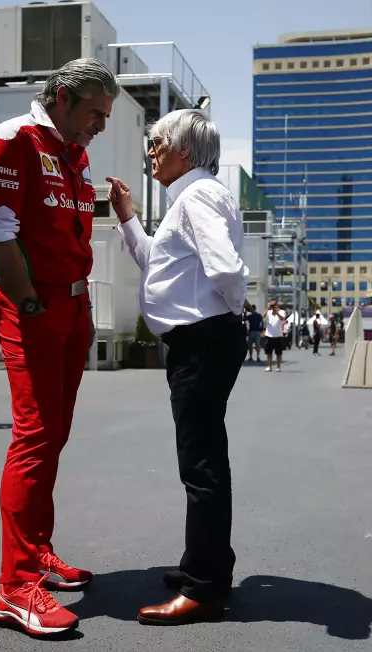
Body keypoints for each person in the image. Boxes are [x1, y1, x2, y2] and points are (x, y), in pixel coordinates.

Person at [0, 58, 116, 637]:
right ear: (62, 96)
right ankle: (14, 588)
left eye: (106, 116)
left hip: (72, 309)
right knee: (34, 436)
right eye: (94, 112)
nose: (100, 126)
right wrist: (31, 303)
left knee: (54, 434)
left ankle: (37, 552)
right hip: (32, 308)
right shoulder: (14, 141)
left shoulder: (73, 151)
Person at [107, 108, 249, 626]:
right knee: (205, 460)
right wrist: (127, 216)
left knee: (202, 466)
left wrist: (230, 313)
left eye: (158, 143)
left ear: (184, 151)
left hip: (202, 341)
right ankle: (204, 566)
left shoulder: (197, 196)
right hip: (202, 339)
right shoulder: (189, 197)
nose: (151, 152)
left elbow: (228, 269)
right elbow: (155, 263)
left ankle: (205, 588)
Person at [264, 300, 287, 372]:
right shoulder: (269, 312)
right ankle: (269, 366)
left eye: (274, 305)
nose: (273, 307)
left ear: (277, 305)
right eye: (272, 305)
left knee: (279, 353)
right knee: (269, 352)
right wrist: (267, 309)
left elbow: (282, 319)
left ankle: (278, 366)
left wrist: (276, 312)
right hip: (269, 335)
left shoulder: (281, 312)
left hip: (278, 335)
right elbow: (262, 316)